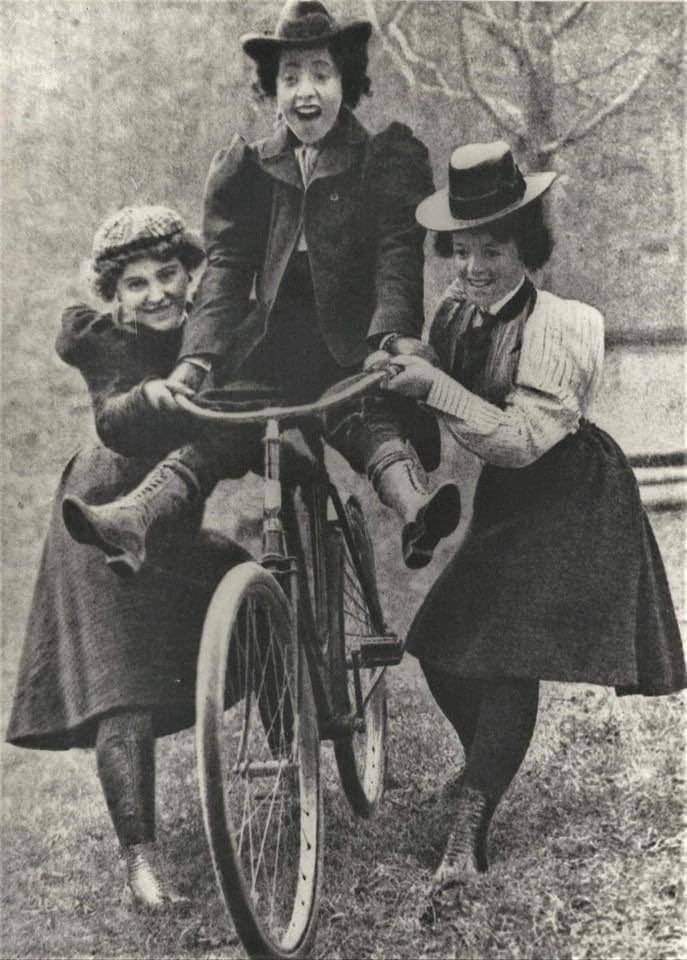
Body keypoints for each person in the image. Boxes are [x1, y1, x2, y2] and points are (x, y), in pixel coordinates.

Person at [61, 0, 461, 578]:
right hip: (266, 350)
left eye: (321, 74)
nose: (306, 92)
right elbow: (225, 269)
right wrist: (195, 363)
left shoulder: (383, 159)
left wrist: (394, 336)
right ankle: (133, 518)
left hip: (349, 346)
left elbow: (397, 255)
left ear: (345, 79)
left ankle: (416, 506)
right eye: (290, 77)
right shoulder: (247, 169)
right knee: (217, 426)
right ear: (271, 88)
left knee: (363, 415)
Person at [381, 141, 686, 892]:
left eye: (492, 249)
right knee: (440, 645)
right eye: (462, 250)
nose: (474, 266)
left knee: (506, 658)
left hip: (573, 495)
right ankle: (480, 769)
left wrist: (432, 388)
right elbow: (449, 378)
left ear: (526, 248)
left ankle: (470, 824)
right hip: (510, 503)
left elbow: (518, 440)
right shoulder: (458, 313)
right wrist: (408, 358)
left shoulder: (563, 324)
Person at [6, 206, 252, 910]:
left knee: (250, 582)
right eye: (136, 284)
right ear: (113, 299)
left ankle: (295, 761)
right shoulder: (107, 344)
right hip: (100, 514)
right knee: (126, 685)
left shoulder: (211, 331)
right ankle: (141, 862)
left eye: (168, 275)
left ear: (190, 274)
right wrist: (152, 393)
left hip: (171, 525)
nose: (156, 295)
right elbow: (116, 412)